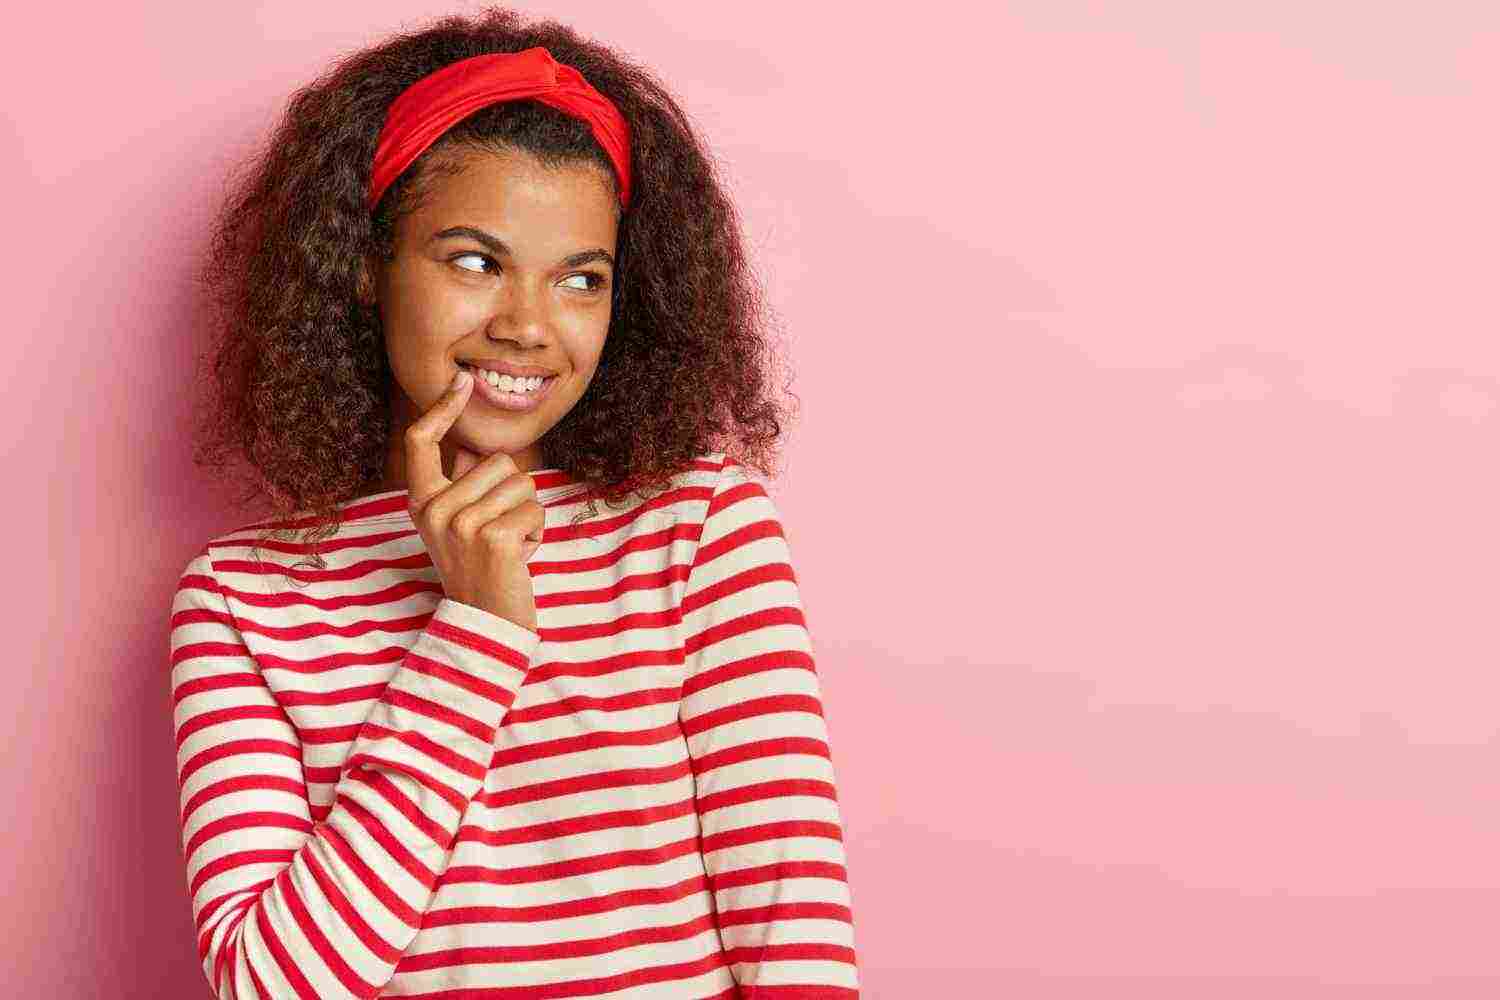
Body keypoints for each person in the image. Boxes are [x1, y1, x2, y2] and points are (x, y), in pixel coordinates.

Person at [166, 8, 859, 998]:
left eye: (580, 279)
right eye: (476, 262)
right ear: (367, 266)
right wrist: (476, 632)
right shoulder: (243, 603)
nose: (530, 326)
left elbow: (797, 942)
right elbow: (266, 985)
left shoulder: (699, 529)